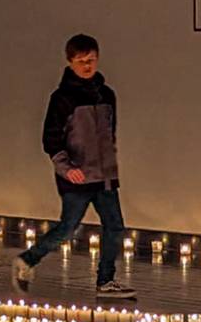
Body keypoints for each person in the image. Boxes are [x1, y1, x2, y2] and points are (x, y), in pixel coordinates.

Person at [13, 34, 135, 300]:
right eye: (81, 61)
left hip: (104, 177)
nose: (87, 66)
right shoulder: (62, 99)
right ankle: (27, 260)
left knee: (114, 226)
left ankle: (106, 280)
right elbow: (51, 138)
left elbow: (109, 133)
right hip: (76, 177)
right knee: (68, 227)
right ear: (70, 62)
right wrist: (66, 168)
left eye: (91, 60)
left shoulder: (107, 95)